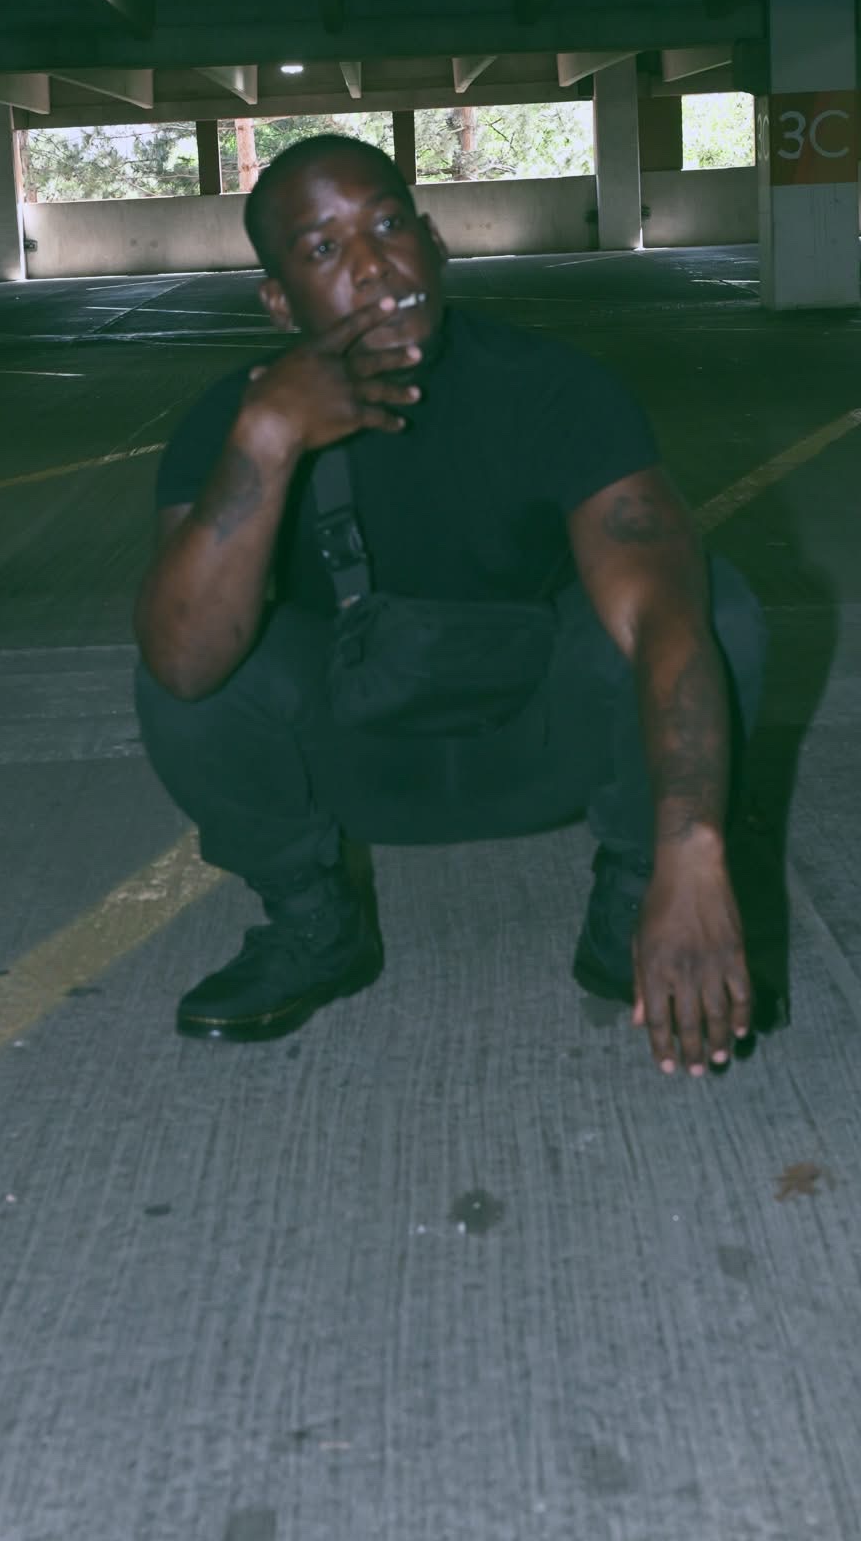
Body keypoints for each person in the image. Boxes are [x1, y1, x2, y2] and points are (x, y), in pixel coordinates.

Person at [133, 134, 767, 1078]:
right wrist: (266, 437)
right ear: (279, 301)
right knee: (183, 649)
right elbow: (182, 663)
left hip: (541, 738)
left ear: (433, 243)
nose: (372, 264)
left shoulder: (553, 389)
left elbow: (664, 613)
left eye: (388, 224)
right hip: (355, 760)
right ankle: (316, 924)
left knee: (710, 608)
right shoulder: (227, 422)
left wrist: (692, 853)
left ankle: (634, 903)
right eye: (323, 248)